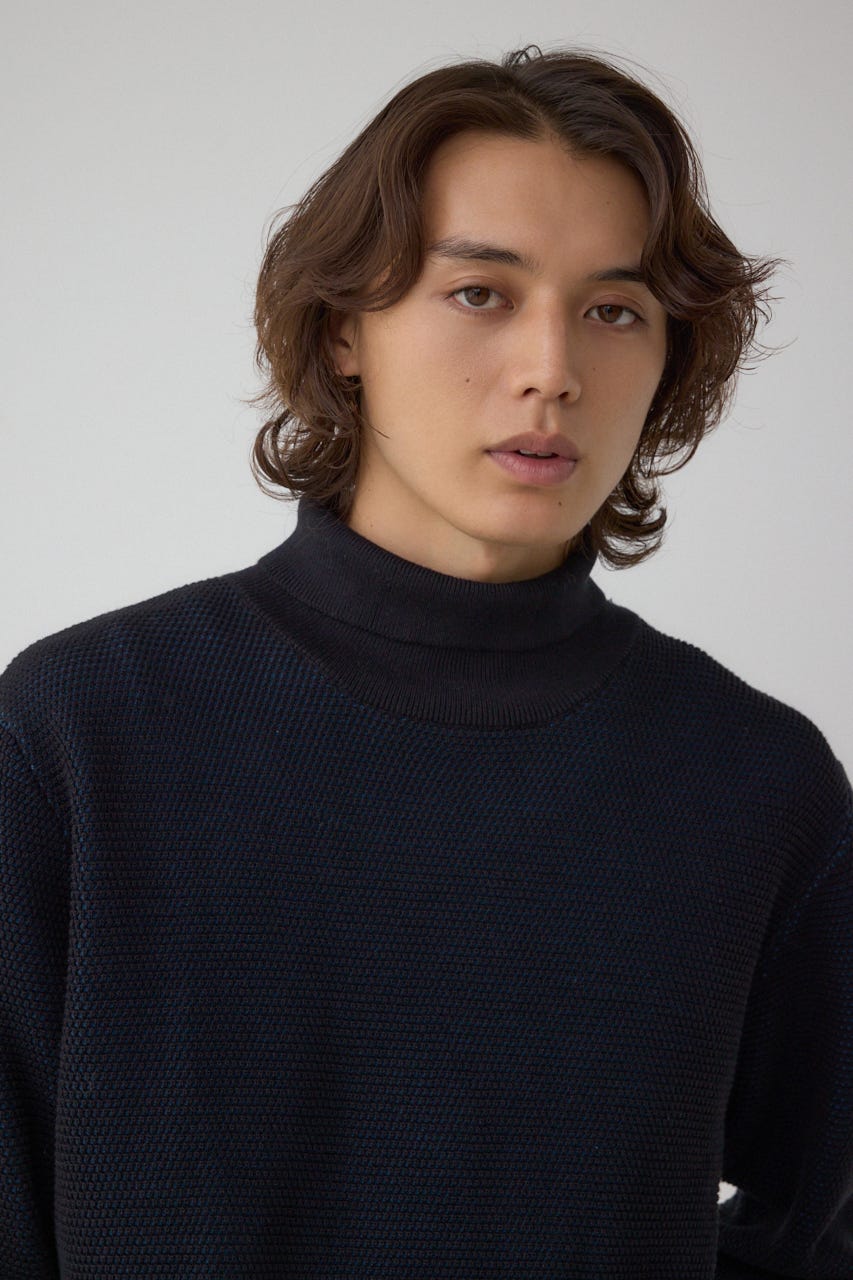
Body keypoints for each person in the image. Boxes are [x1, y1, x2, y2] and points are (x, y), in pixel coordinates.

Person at [1, 43, 850, 1278]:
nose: (552, 370)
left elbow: (821, 1214)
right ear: (344, 326)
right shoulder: (78, 737)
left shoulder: (755, 784)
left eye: (614, 310)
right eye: (481, 293)